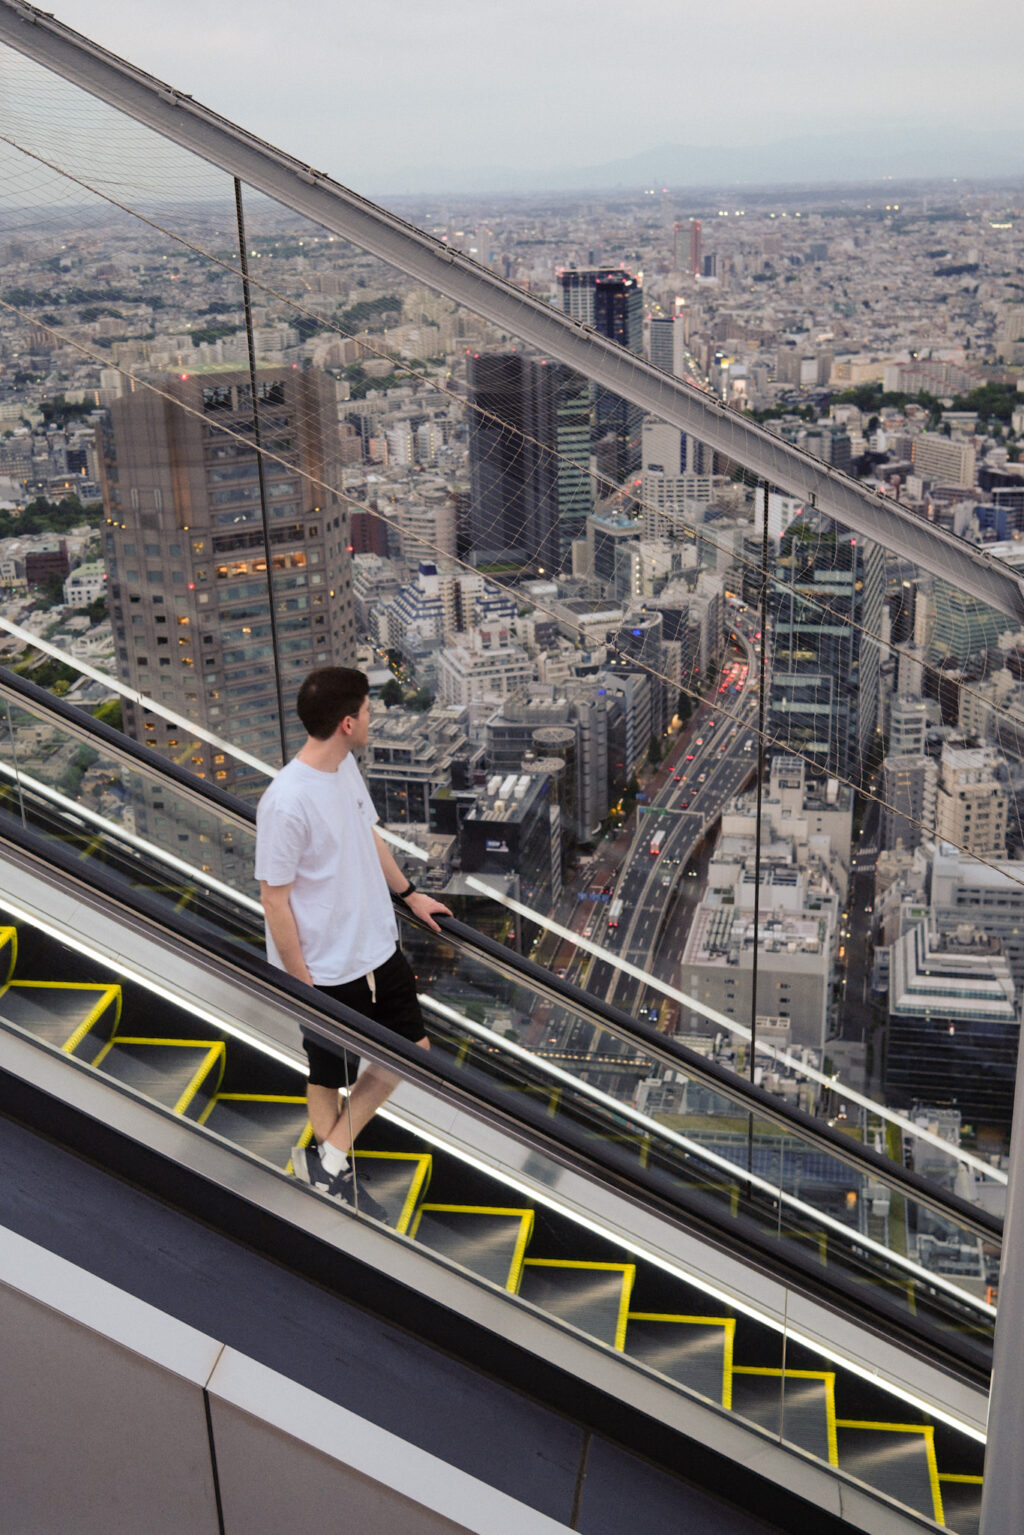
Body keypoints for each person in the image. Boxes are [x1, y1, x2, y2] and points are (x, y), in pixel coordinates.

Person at [255, 666, 451, 1218]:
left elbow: (367, 835)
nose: (372, 718)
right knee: (329, 1072)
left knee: (413, 1054)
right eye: (367, 711)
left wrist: (409, 894)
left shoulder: (342, 769)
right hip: (323, 967)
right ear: (347, 722)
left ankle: (329, 1160)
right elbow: (274, 899)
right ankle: (333, 1174)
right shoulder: (286, 801)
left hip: (375, 946)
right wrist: (302, 984)